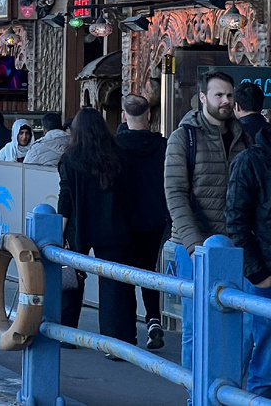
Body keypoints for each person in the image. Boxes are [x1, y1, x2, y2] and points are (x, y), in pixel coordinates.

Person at [166, 69, 251, 377]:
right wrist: (194, 245)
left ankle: (228, 391)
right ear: (203, 97)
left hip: (238, 247)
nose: (226, 101)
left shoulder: (245, 136)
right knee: (195, 326)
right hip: (196, 246)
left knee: (240, 325)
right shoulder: (184, 137)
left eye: (229, 95)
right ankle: (195, 394)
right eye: (219, 95)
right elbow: (175, 193)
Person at [57, 107, 135, 348]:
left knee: (72, 279)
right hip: (113, 226)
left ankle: (66, 335)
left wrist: (59, 233)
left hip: (79, 227)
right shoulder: (118, 154)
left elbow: (66, 200)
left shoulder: (69, 159)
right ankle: (114, 342)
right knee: (112, 285)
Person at [117, 94, 170, 350]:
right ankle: (154, 319)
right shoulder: (164, 146)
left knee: (125, 273)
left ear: (124, 116)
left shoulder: (116, 147)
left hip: (125, 220)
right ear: (149, 116)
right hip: (155, 219)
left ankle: (127, 330)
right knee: (149, 269)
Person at [226, 115, 271, 398]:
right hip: (265, 272)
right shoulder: (251, 161)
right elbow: (236, 221)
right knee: (265, 356)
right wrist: (259, 274)